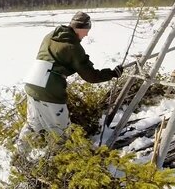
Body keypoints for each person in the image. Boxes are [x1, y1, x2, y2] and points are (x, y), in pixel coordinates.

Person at [18, 11, 123, 144]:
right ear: (80, 28)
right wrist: (112, 73)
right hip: (50, 90)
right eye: (86, 30)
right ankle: (60, 158)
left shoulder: (50, 36)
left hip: (32, 83)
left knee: (33, 124)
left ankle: (21, 152)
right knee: (61, 130)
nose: (87, 34)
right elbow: (91, 76)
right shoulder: (73, 47)